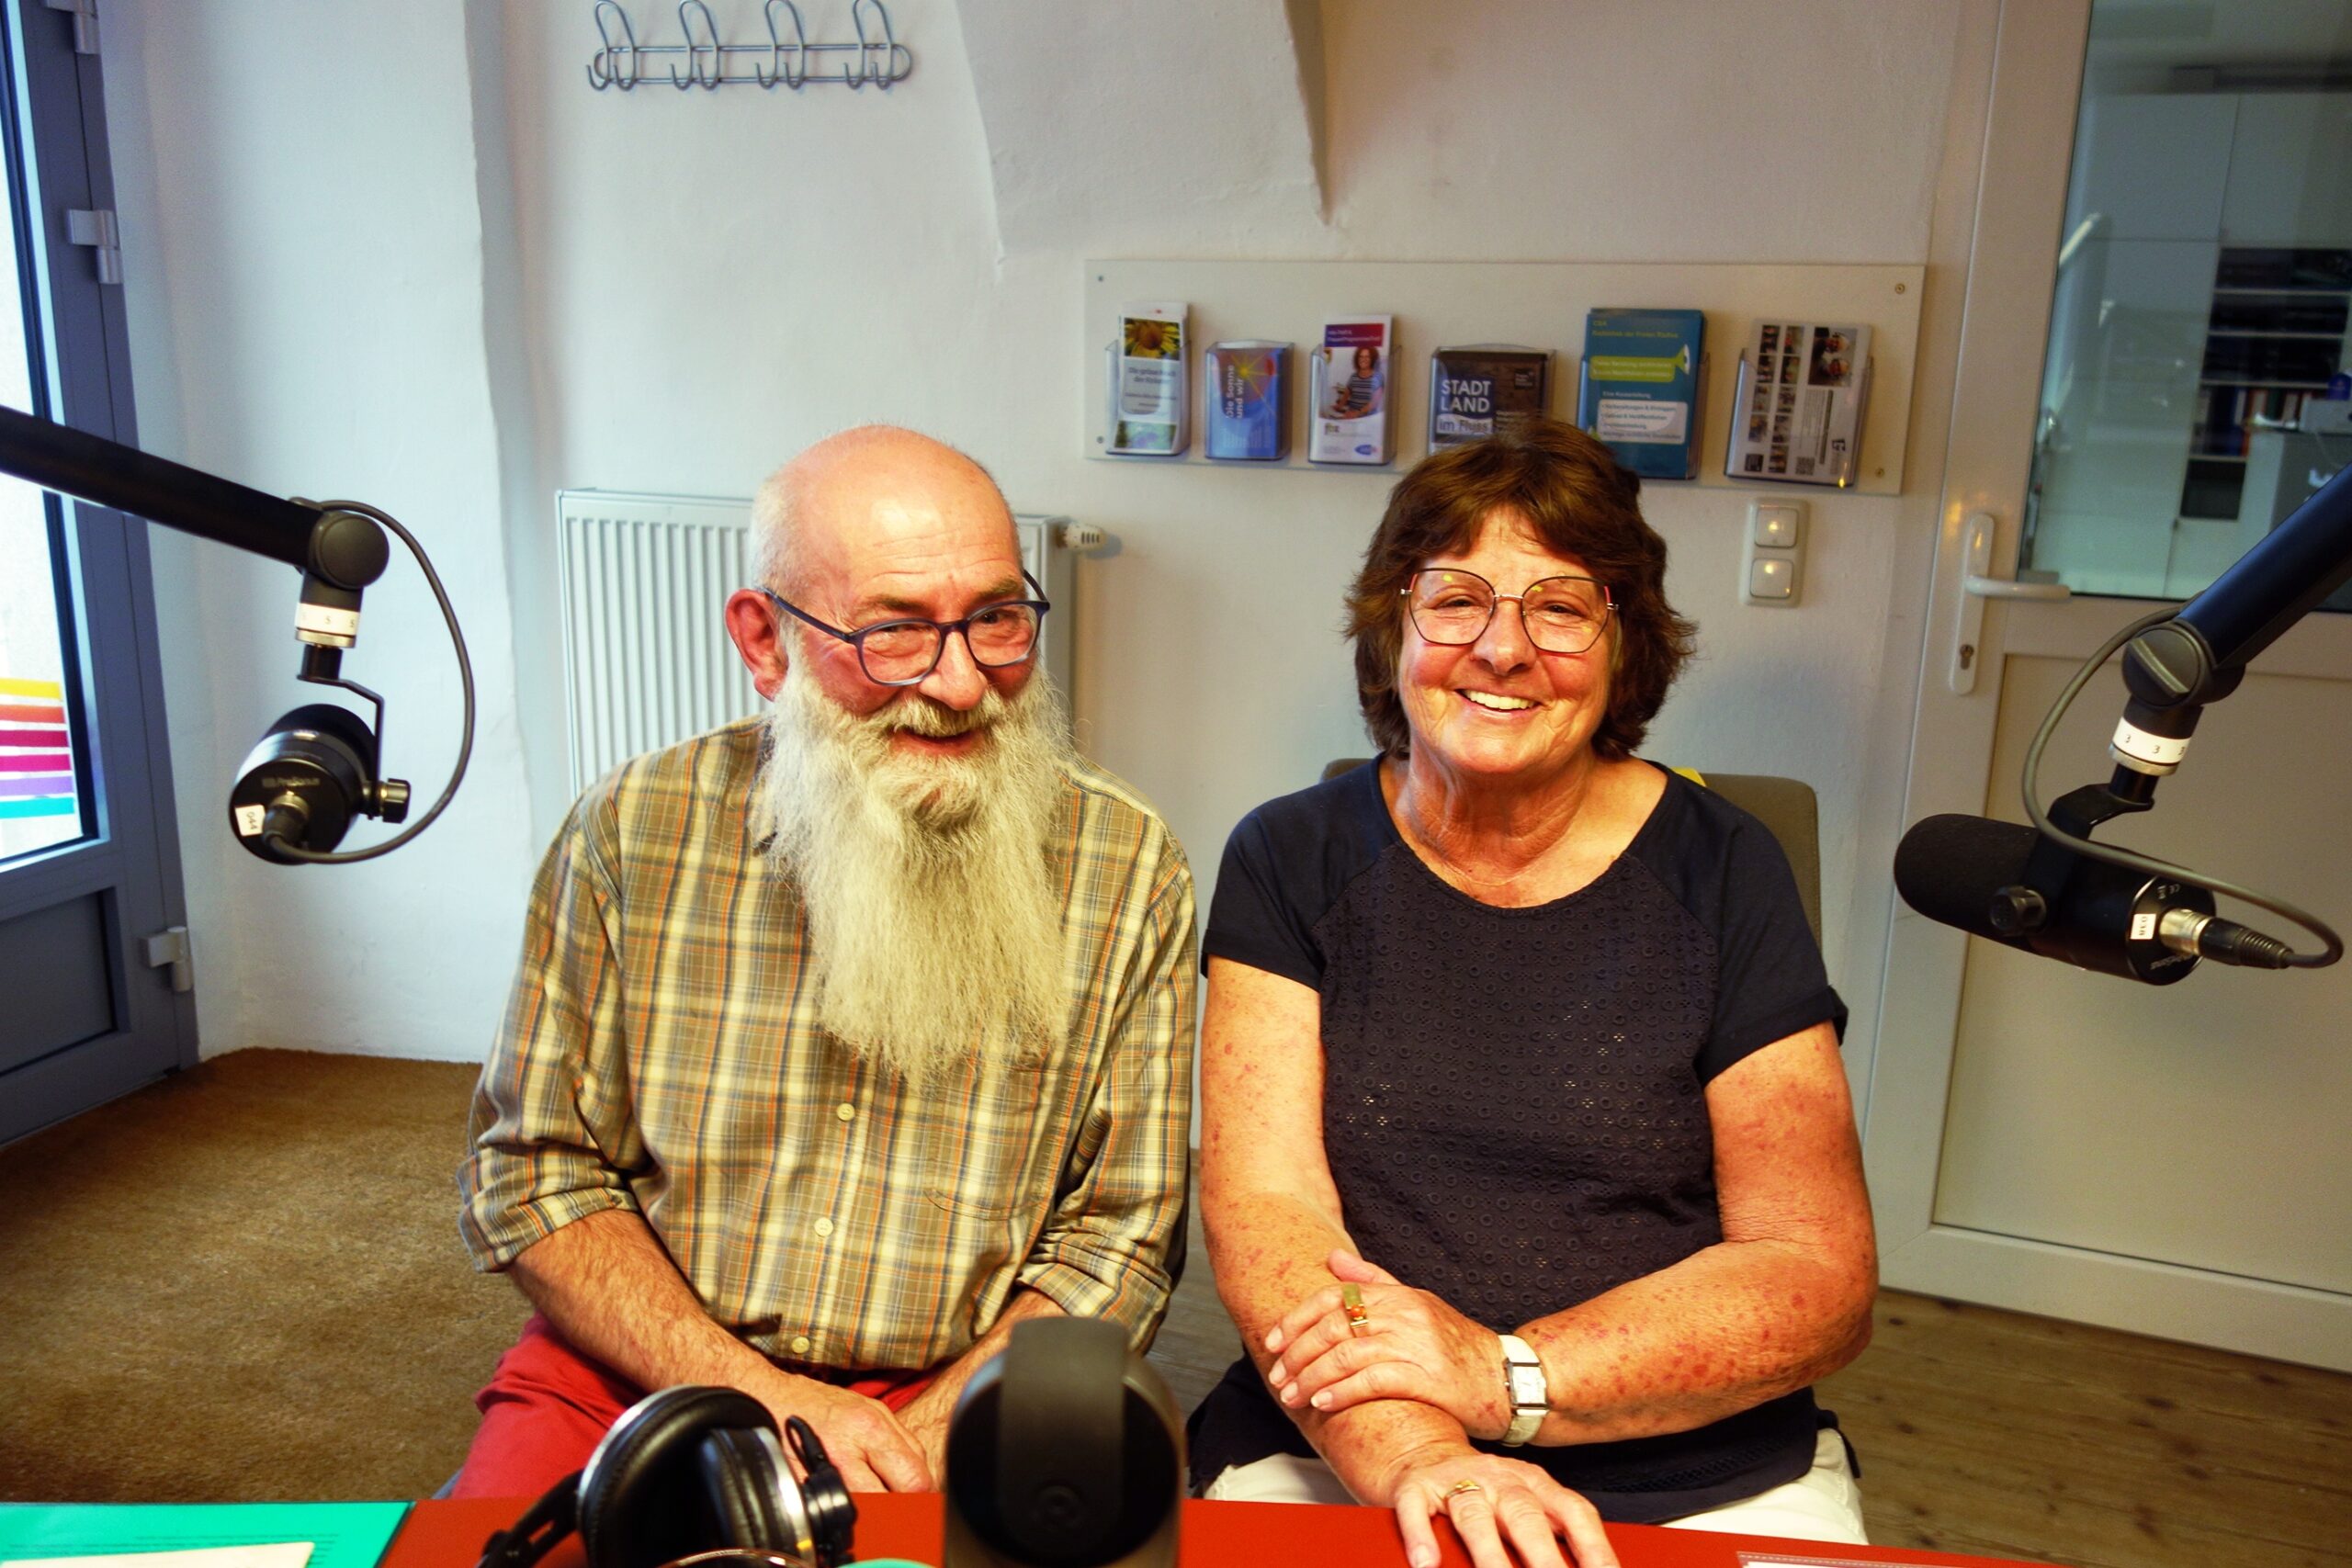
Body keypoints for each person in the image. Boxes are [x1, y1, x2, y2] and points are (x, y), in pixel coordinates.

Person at [454, 426, 1197, 1497]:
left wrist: (936, 1424)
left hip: (967, 1384)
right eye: (894, 633)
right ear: (764, 640)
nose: (959, 685)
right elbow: (532, 1169)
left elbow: (1122, 1236)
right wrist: (751, 1389)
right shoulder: (631, 829)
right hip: (643, 1366)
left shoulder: (1126, 865)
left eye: (995, 620)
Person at [1193, 416, 1876, 1568]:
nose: (1502, 648)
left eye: (1559, 607)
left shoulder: (1726, 866)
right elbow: (1271, 1214)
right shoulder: (1287, 856)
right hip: (1347, 1432)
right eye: (1455, 599)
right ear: (1393, 625)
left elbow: (1814, 1272)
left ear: (1624, 643)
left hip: (1692, 1465)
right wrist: (1424, 1456)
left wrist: (1504, 1378)